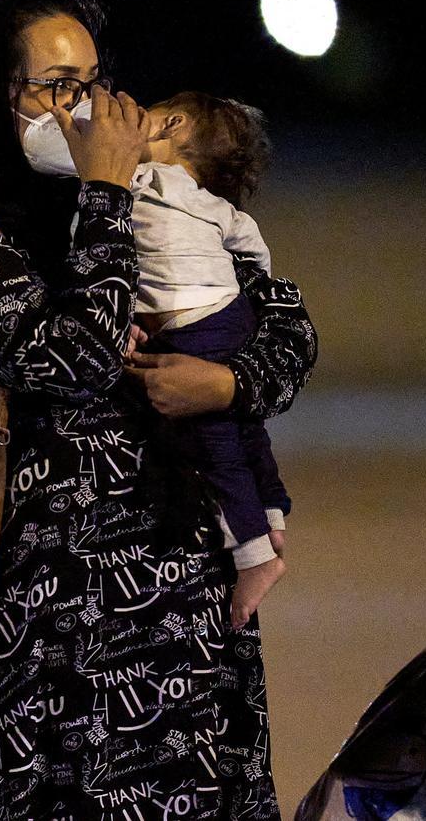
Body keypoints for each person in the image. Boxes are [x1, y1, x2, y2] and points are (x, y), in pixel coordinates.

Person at [0, 0, 316, 819]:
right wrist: (104, 197)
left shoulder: (144, 208)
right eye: (55, 86)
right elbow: (76, 356)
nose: (85, 110)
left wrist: (227, 383)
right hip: (50, 629)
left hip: (184, 606)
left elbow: (282, 324)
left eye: (91, 85)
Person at [132, 91, 293, 629]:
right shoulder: (208, 202)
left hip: (189, 328)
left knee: (215, 446)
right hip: (229, 311)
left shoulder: (143, 182)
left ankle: (254, 556)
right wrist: (253, 288)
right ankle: (270, 513)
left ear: (171, 123)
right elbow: (249, 241)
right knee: (248, 430)